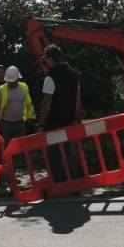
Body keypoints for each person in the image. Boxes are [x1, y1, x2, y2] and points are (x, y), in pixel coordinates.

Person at [38, 44, 83, 181]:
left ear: (51, 59)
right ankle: (74, 181)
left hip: (53, 122)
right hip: (69, 120)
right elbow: (78, 97)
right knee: (69, 152)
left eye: (45, 57)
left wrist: (41, 122)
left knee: (53, 153)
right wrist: (76, 116)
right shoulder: (74, 74)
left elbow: (47, 101)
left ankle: (58, 183)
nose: (44, 60)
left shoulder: (50, 76)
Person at [0, 65, 35, 142]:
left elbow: (28, 104)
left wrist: (30, 117)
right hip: (5, 124)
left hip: (20, 123)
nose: (11, 83)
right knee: (7, 147)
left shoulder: (24, 87)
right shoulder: (0, 91)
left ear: (18, 79)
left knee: (21, 146)